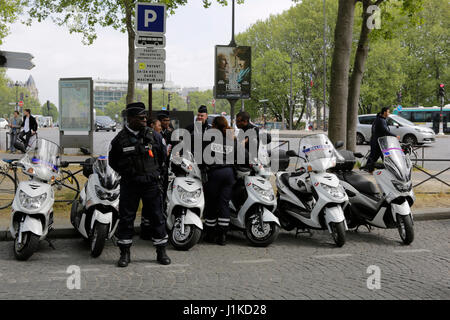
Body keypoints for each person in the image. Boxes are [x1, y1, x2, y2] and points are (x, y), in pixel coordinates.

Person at [109, 102, 170, 267]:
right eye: (140, 118)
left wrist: (155, 174)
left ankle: (161, 251)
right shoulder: (119, 140)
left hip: (151, 184)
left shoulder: (154, 136)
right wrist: (130, 172)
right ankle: (124, 253)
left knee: (157, 217)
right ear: (129, 119)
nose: (144, 120)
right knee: (127, 218)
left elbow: (163, 157)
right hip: (131, 184)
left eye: (145, 117)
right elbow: (113, 162)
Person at [202, 116, 241, 246]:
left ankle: (210, 234)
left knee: (212, 203)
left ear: (214, 125)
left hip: (215, 173)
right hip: (229, 174)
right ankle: (222, 235)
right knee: (224, 203)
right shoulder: (231, 138)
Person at [366, 107, 400, 172]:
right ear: (384, 112)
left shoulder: (381, 119)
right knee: (376, 156)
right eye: (388, 112)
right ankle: (369, 168)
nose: (389, 113)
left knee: (381, 156)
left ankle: (370, 168)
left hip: (380, 141)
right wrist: (395, 135)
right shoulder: (380, 120)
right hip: (377, 142)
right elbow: (385, 130)